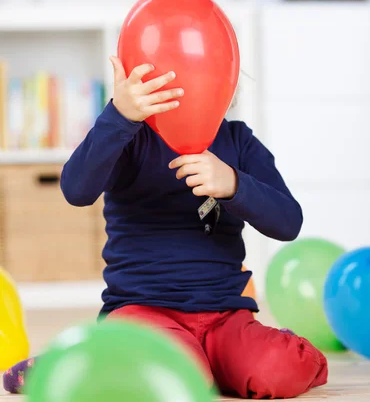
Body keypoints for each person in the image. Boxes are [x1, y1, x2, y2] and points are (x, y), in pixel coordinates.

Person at [4, 57, 327, 399]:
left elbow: (288, 222)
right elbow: (76, 188)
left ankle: (206, 363)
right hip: (144, 311)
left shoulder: (238, 140)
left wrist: (234, 183)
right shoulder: (128, 138)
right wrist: (119, 115)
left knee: (280, 368)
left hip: (225, 315)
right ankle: (77, 361)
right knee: (175, 379)